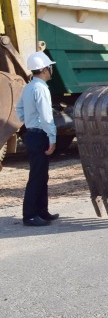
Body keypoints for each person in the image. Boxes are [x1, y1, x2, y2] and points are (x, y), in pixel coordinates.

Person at [15, 51, 58, 227]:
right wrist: (52, 137)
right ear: (46, 69)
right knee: (37, 176)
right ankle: (30, 215)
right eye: (50, 67)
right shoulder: (41, 89)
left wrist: (29, 122)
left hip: (33, 134)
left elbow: (19, 109)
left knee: (41, 175)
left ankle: (42, 211)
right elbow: (47, 116)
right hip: (40, 136)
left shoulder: (29, 87)